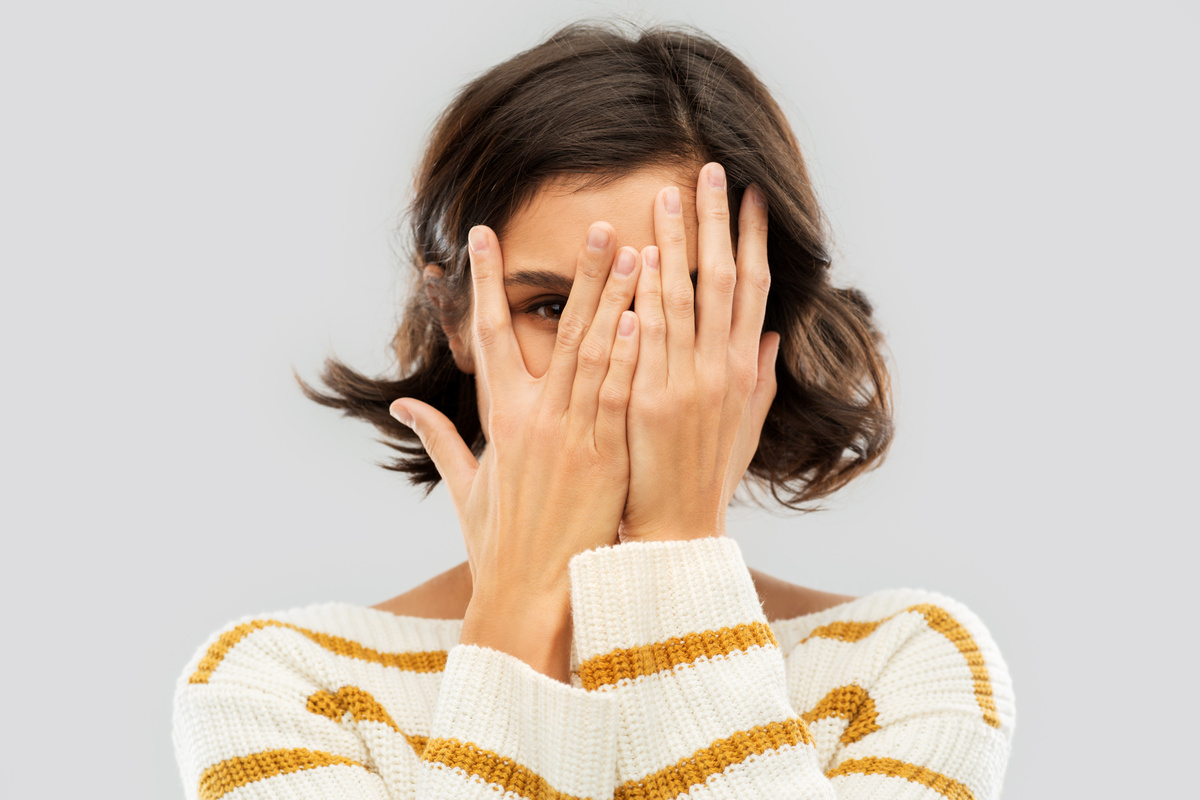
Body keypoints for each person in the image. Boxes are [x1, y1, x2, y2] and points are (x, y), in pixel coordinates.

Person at [172, 21, 1014, 800]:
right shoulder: (279, 688)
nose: (610, 360)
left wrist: (674, 557)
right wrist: (521, 616)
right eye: (548, 307)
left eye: (674, 308)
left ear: (759, 327)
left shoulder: (910, 667)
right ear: (456, 321)